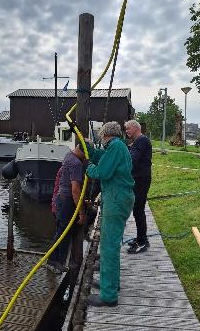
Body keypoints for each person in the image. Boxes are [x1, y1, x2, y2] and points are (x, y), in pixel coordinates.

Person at [85, 121, 135, 307]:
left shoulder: (114, 146)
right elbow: (103, 158)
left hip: (115, 199)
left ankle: (108, 295)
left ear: (106, 134)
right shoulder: (117, 147)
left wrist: (89, 169)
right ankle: (111, 284)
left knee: (108, 247)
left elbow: (103, 172)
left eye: (100, 136)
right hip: (119, 198)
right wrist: (91, 150)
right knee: (111, 244)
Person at [47, 145, 87, 273]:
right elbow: (75, 190)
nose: (87, 157)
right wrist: (81, 212)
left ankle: (58, 261)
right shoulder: (76, 164)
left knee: (61, 231)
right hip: (66, 201)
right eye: (86, 153)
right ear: (81, 150)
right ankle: (53, 262)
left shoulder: (69, 155)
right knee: (62, 233)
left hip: (61, 198)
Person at [124, 119, 152, 254]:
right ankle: (141, 237)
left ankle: (142, 241)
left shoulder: (142, 140)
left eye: (128, 129)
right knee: (137, 210)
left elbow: (132, 159)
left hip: (141, 180)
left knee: (138, 210)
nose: (126, 131)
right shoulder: (137, 142)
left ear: (135, 128)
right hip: (138, 179)